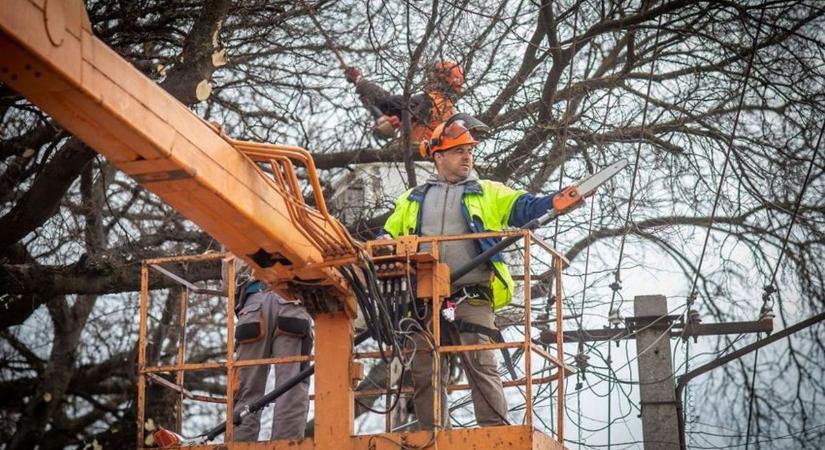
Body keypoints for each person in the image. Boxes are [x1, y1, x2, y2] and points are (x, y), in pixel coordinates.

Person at [379, 113, 579, 429]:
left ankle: (495, 433)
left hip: (471, 296)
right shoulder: (412, 199)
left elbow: (525, 207)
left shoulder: (487, 192)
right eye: (459, 151)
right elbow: (388, 235)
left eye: (470, 151)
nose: (467, 157)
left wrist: (555, 201)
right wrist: (382, 244)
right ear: (438, 156)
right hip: (424, 300)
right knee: (424, 370)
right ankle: (432, 436)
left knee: (481, 364)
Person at [231, 278, 313, 441]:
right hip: (291, 302)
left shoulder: (236, 260)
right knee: (292, 385)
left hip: (252, 309)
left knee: (247, 388)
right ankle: (286, 443)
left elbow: (229, 284)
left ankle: (240, 443)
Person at [343, 61, 464, 142]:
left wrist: (360, 81)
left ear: (439, 79)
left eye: (432, 76)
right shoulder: (449, 110)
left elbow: (387, 103)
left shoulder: (430, 101)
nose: (428, 80)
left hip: (417, 158)